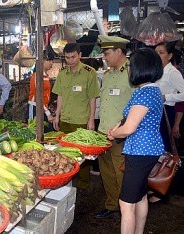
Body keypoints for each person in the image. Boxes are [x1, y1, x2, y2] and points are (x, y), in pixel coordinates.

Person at [108, 48, 164, 234]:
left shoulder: (144, 93)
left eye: (131, 66)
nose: (130, 70)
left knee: (126, 203)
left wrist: (115, 134)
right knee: (140, 197)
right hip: (149, 150)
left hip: (140, 151)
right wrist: (117, 128)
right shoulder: (153, 90)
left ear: (139, 68)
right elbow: (129, 121)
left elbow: (130, 128)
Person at [95, 35, 135, 218]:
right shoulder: (108, 74)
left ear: (119, 51)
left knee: (121, 172)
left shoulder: (132, 74)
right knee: (107, 172)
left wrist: (123, 130)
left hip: (121, 134)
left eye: (107, 52)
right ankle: (112, 206)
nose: (104, 56)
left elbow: (136, 106)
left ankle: (126, 207)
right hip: (103, 132)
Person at [52, 43, 100, 189]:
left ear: (79, 55)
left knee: (82, 155)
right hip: (66, 119)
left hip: (81, 120)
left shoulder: (89, 72)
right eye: (67, 57)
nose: (70, 60)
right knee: (65, 153)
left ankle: (84, 185)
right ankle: (67, 181)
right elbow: (60, 96)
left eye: (73, 57)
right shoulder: (62, 73)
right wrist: (57, 115)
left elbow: (93, 98)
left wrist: (91, 120)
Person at [149, 42, 184, 204]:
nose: (158, 55)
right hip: (154, 114)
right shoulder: (156, 70)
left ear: (170, 56)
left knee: (165, 154)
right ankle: (155, 182)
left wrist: (167, 97)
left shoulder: (172, 72)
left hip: (166, 114)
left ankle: (163, 191)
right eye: (156, 52)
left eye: (161, 52)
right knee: (156, 151)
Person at [27, 50, 55, 132]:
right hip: (35, 107)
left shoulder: (45, 76)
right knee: (34, 131)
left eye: (52, 61)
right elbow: (38, 97)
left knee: (43, 131)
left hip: (43, 107)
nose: (51, 63)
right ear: (42, 61)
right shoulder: (37, 76)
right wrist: (48, 113)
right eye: (49, 60)